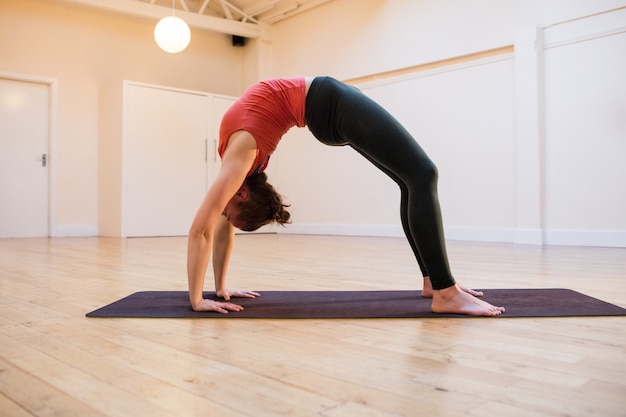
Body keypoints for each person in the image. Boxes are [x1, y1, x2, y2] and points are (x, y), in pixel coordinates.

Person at [187, 76, 505, 316]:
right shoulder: (241, 166)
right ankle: (444, 292)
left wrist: (208, 294)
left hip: (327, 107)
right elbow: (210, 231)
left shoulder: (241, 159)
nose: (222, 215)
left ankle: (434, 282)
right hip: (329, 104)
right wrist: (209, 294)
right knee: (422, 175)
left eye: (227, 213)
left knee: (414, 179)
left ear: (240, 194)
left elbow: (205, 229)